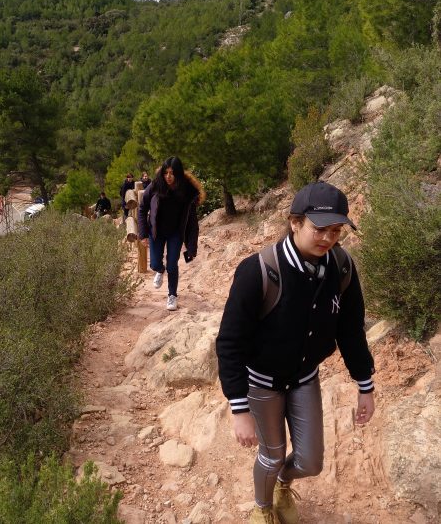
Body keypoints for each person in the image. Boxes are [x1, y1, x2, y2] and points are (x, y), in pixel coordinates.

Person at [216, 181, 375, 524]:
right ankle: (262, 509)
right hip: (262, 382)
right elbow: (230, 341)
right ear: (295, 222)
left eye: (336, 231)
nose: (328, 238)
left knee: (311, 461)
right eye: (319, 229)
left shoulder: (341, 268)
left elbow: (351, 330)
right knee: (271, 456)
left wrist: (365, 385)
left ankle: (282, 485)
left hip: (304, 378)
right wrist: (238, 407)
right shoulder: (259, 271)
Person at [138, 157, 204, 311]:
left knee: (172, 264)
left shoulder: (187, 191)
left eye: (172, 173)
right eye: (166, 172)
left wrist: (191, 247)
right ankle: (160, 270)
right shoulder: (155, 185)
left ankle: (172, 295)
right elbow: (142, 208)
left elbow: (192, 222)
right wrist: (143, 233)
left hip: (175, 232)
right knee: (155, 264)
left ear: (178, 174)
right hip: (156, 231)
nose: (168, 176)